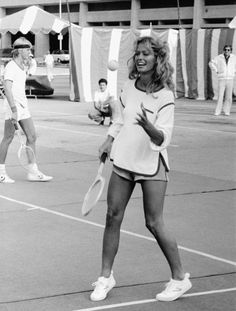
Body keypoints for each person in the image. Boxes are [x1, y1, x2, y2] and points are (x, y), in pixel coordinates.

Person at [90, 36, 192, 302]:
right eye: (137, 53)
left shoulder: (166, 95)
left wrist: (149, 127)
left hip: (150, 163)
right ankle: (105, 277)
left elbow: (164, 138)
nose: (140, 57)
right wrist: (108, 140)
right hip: (124, 159)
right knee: (112, 215)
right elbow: (120, 120)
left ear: (158, 58)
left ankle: (180, 279)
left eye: (146, 53)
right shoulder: (128, 86)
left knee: (154, 222)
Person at [0, 37, 53, 183]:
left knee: (32, 137)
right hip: (13, 107)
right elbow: (7, 89)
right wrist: (13, 110)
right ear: (20, 50)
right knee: (8, 138)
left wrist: (29, 64)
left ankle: (33, 172)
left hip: (23, 107)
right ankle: (1, 172)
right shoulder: (10, 67)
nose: (30, 52)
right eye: (28, 49)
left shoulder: (22, 66)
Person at [209, 45, 236, 116]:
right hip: (222, 79)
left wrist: (233, 72)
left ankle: (226, 111)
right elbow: (211, 63)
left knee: (229, 97)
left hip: (230, 79)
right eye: (226, 50)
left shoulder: (234, 58)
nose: (227, 51)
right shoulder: (219, 57)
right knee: (220, 96)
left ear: (231, 51)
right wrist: (217, 70)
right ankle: (217, 111)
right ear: (223, 50)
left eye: (228, 50)